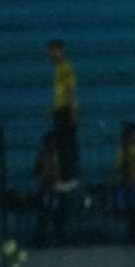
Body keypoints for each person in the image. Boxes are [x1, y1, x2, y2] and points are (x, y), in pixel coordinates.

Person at [46, 39, 79, 187]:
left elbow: (70, 91)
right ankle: (64, 178)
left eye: (54, 51)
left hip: (65, 111)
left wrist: (72, 113)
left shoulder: (66, 68)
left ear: (61, 51)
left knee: (67, 145)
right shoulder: (58, 69)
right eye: (50, 52)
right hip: (60, 111)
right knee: (61, 145)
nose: (51, 55)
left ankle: (70, 178)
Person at [32, 130, 66, 246]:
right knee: (44, 213)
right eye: (49, 142)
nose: (52, 144)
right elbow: (35, 171)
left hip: (57, 188)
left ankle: (58, 236)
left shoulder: (59, 154)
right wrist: (44, 171)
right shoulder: (42, 154)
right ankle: (42, 238)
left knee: (58, 212)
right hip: (45, 188)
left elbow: (63, 173)